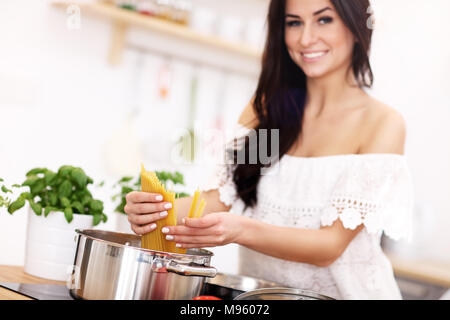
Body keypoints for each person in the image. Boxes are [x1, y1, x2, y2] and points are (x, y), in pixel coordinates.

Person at [125, 0, 414, 300]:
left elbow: (329, 246)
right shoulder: (265, 110)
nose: (305, 38)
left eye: (324, 20)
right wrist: (158, 211)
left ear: (357, 26)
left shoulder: (381, 124)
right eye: (293, 22)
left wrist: (240, 230)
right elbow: (221, 199)